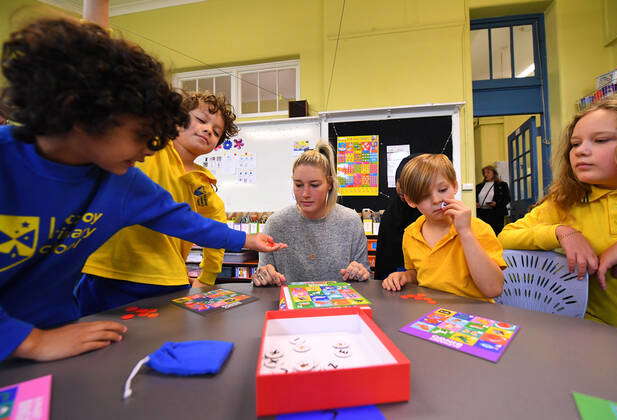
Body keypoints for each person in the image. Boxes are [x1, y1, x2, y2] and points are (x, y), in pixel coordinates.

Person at [0, 18, 284, 362]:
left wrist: (245, 240)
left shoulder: (122, 179)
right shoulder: (10, 161)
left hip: (58, 333)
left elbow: (183, 221)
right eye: (141, 134)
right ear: (86, 114)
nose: (150, 148)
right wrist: (27, 341)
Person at [76, 92, 237, 316]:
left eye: (217, 132)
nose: (209, 130)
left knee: (159, 346)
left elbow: (217, 236)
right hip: (107, 270)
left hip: (166, 280)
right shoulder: (147, 151)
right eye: (201, 120)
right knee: (95, 344)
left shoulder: (205, 188)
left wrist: (206, 279)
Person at [499, 95, 617, 329]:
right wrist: (561, 232)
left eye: (600, 140)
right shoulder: (566, 201)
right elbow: (505, 236)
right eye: (575, 143)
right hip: (596, 330)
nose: (581, 151)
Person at [381, 154, 505, 301]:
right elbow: (420, 274)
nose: (436, 200)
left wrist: (465, 232)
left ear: (455, 185)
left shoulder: (478, 228)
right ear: (410, 200)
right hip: (431, 315)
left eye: (442, 190)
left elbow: (494, 289)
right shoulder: (411, 233)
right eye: (425, 196)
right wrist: (406, 276)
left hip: (473, 316)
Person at [253, 142, 370, 286]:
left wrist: (360, 273)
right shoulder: (276, 223)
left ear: (330, 184)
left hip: (339, 305)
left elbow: (364, 275)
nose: (305, 193)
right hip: (289, 306)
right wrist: (263, 276)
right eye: (298, 185)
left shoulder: (350, 221)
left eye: (314, 185)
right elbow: (264, 277)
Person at [374, 154, 421, 280]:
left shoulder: (433, 214)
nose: (405, 199)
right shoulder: (391, 214)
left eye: (408, 194)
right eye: (400, 195)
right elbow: (383, 263)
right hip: (393, 286)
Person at [475, 165, 511, 235]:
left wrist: (496, 204)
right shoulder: (478, 186)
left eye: (488, 172)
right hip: (481, 213)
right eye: (484, 173)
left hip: (496, 213)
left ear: (494, 173)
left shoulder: (502, 185)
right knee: (483, 233)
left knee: (496, 233)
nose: (485, 175)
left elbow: (507, 198)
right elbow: (474, 198)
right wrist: (475, 203)